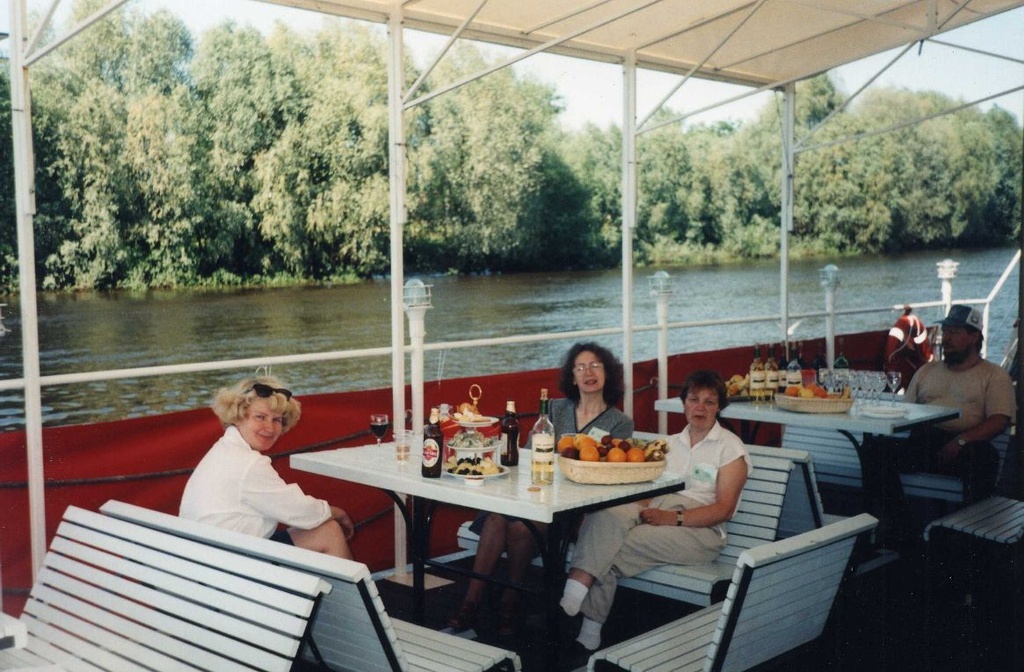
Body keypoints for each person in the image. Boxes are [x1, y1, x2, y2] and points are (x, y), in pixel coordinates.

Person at [447, 342, 634, 635]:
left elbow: (610, 472)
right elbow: (529, 454)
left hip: (573, 508)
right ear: (572, 377)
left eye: (595, 366)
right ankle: (470, 602)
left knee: (521, 528)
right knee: (497, 517)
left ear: (607, 374)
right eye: (580, 367)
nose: (588, 373)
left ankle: (511, 599)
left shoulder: (620, 423)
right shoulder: (556, 409)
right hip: (536, 492)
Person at [558, 369, 751, 654]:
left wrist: (675, 518)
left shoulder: (731, 448)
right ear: (683, 402)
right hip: (657, 508)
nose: (700, 407)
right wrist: (633, 510)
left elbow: (724, 509)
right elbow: (648, 493)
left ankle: (582, 604)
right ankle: (587, 620)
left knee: (613, 544)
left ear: (719, 406)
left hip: (701, 531)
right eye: (694, 399)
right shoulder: (669, 445)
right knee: (605, 516)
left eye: (710, 402)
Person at [180, 376, 355, 558]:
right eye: (260, 417)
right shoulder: (248, 463)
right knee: (330, 532)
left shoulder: (223, 449)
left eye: (276, 420)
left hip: (209, 559)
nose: (270, 428)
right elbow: (300, 512)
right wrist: (338, 513)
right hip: (230, 567)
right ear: (238, 417)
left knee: (326, 530)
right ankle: (359, 587)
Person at [896, 305, 1015, 504]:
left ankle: (971, 529)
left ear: (974, 336)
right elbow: (905, 410)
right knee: (876, 451)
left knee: (982, 458)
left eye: (955, 332)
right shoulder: (927, 371)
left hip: (966, 446)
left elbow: (999, 420)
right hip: (925, 441)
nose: (947, 339)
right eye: (945, 332)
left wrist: (961, 441)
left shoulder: (994, 375)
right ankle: (895, 523)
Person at [884, 305, 934, 391]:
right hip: (903, 377)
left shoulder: (915, 326)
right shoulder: (903, 327)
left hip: (912, 377)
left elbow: (926, 357)